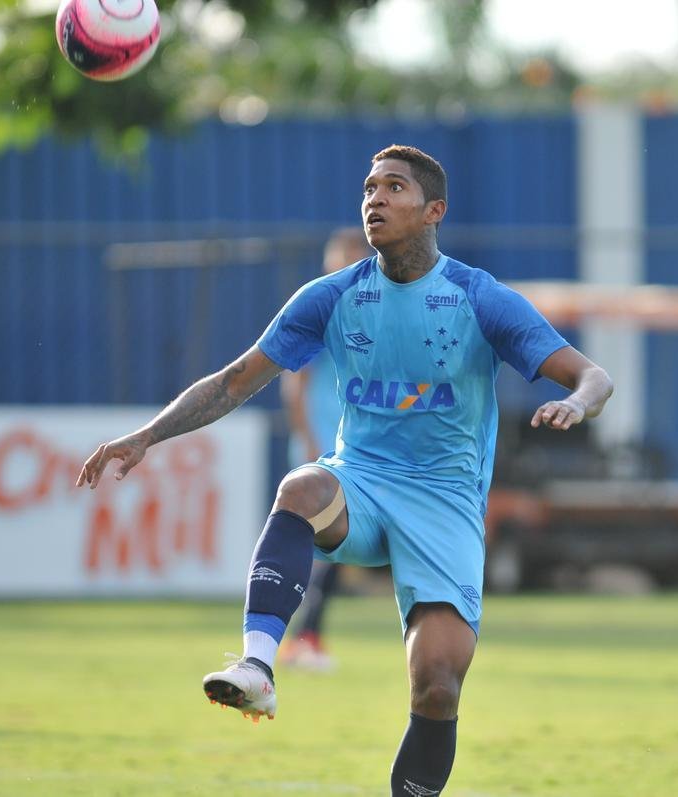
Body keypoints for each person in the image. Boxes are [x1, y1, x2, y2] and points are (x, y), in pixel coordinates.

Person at [77, 144, 613, 797]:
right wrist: (146, 437)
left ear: (433, 210)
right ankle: (258, 668)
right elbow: (233, 381)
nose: (374, 199)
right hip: (359, 479)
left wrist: (576, 401)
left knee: (438, 683)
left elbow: (592, 374)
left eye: (393, 187)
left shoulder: (477, 297)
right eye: (368, 188)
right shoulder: (332, 296)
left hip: (444, 502)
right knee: (301, 487)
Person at [277, 227, 372, 671]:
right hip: (325, 449)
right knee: (326, 547)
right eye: (345, 259)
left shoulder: (368, 314)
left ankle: (301, 637)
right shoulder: (323, 310)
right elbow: (293, 384)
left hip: (353, 448)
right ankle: (301, 638)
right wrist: (311, 442)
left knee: (331, 549)